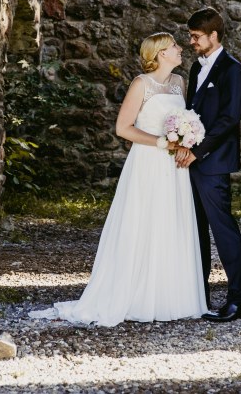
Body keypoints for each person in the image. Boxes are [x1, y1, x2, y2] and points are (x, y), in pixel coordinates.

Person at [29, 33, 207, 326]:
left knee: (171, 222)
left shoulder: (179, 83)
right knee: (143, 223)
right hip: (149, 162)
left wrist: (187, 139)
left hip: (175, 169)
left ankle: (170, 297)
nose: (180, 49)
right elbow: (123, 128)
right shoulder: (141, 84)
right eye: (175, 46)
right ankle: (135, 295)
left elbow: (183, 121)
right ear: (162, 53)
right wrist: (165, 143)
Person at [175, 7, 241, 322]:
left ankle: (238, 300)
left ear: (214, 36)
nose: (191, 42)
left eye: (196, 36)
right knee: (196, 233)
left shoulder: (232, 70)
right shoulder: (195, 69)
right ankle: (199, 295)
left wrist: (198, 151)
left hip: (213, 163)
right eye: (190, 36)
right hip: (190, 163)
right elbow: (193, 114)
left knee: (224, 230)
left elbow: (229, 119)